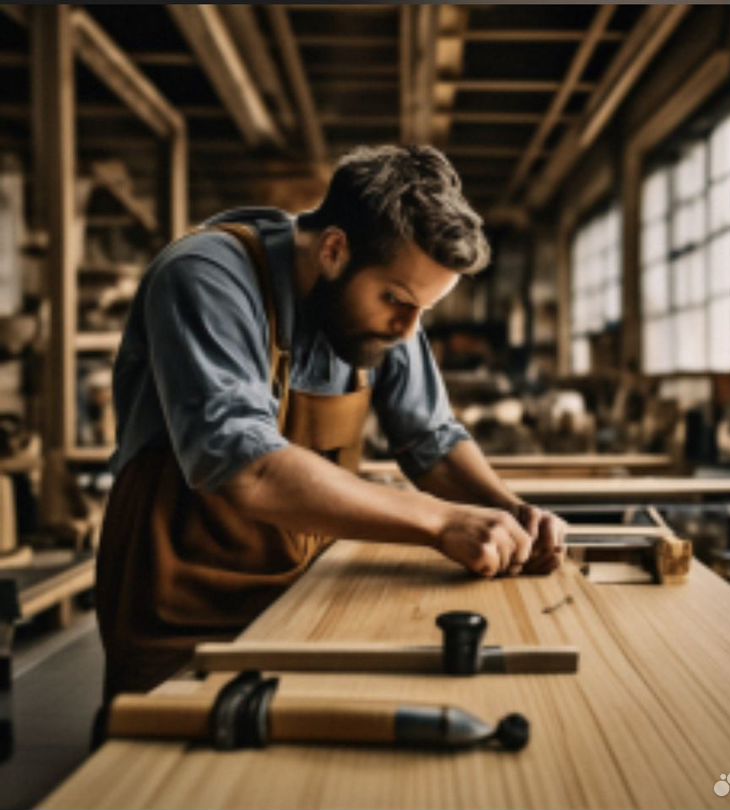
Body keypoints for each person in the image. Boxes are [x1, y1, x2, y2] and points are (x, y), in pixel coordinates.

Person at [95, 144, 567, 703]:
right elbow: (249, 470)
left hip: (305, 585)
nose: (408, 331)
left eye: (425, 312)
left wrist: (509, 512)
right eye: (396, 300)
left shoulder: (391, 312)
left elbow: (430, 441)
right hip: (180, 594)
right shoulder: (205, 276)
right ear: (335, 250)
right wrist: (441, 522)